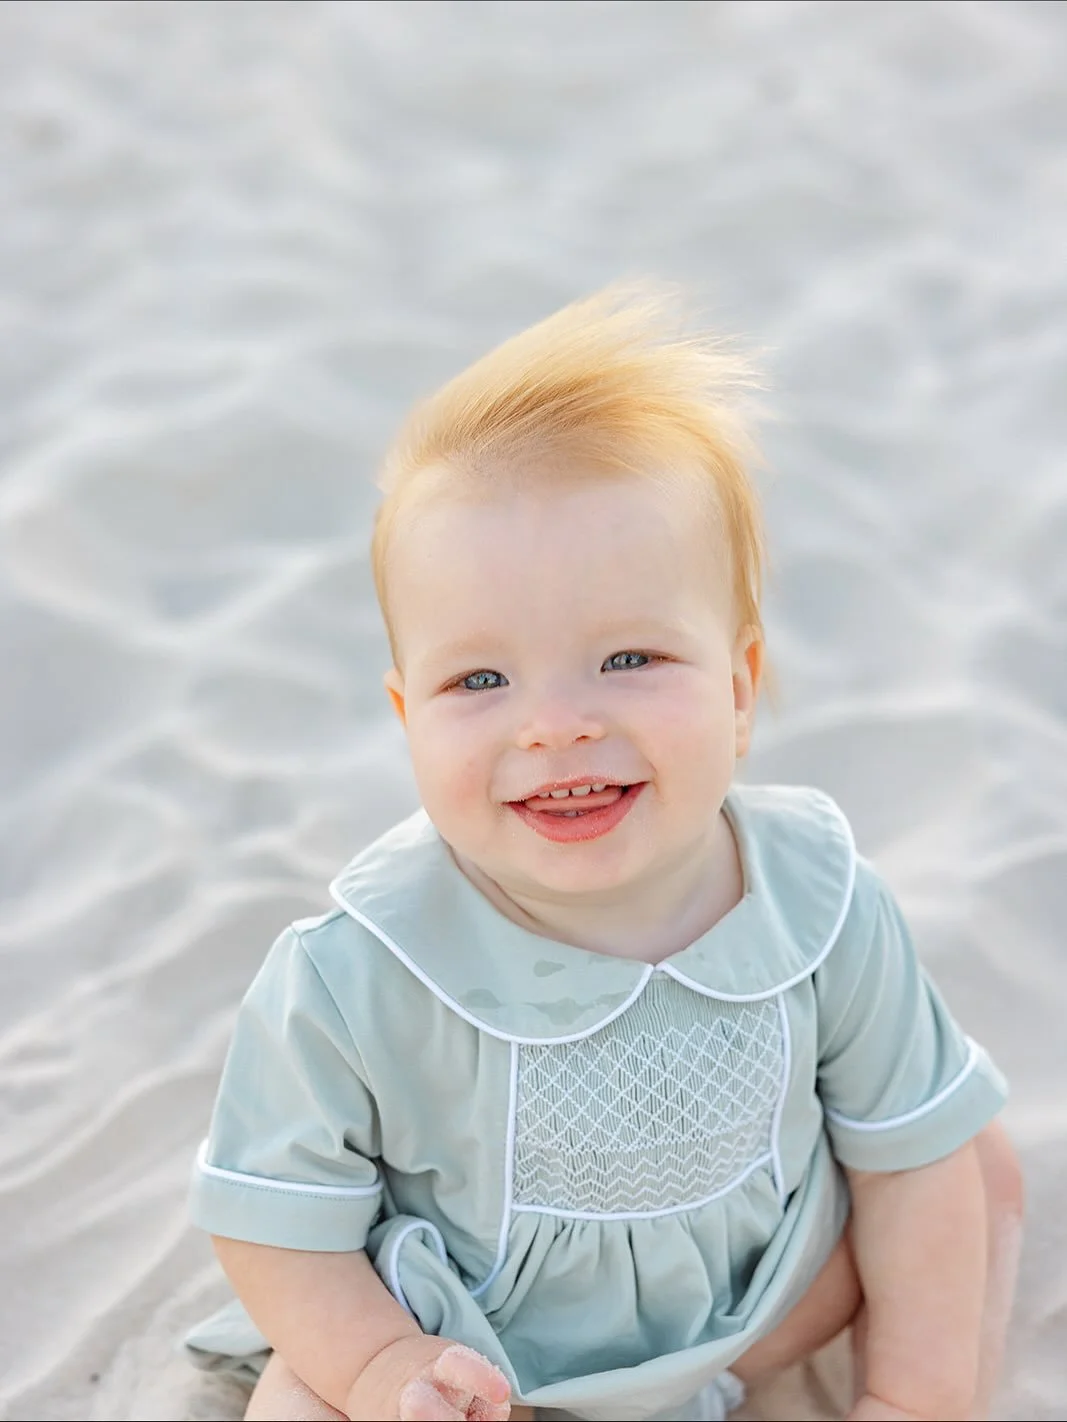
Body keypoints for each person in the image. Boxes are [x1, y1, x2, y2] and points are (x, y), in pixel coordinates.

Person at [184, 286, 1024, 1422]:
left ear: (736, 690)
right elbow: (274, 1221)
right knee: (302, 1397)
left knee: (965, 1160)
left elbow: (901, 1162)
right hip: (480, 1350)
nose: (554, 724)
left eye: (627, 657)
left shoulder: (815, 903)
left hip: (759, 1310)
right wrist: (386, 1370)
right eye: (478, 680)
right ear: (404, 715)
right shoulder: (357, 969)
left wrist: (910, 1393)